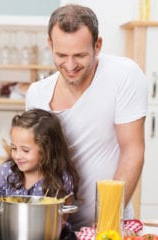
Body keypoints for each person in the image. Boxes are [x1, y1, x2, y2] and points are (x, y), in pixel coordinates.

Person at [25, 4, 148, 230]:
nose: (70, 65)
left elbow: (133, 151)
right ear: (50, 45)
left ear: (98, 45)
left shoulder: (123, 75)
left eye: (80, 55)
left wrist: (104, 224)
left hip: (110, 223)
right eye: (61, 55)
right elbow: (35, 165)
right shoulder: (37, 94)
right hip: (54, 227)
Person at [0, 109, 79, 225]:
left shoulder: (61, 179)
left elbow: (60, 223)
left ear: (47, 150)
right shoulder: (5, 173)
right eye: (14, 148)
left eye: (25, 150)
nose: (17, 156)